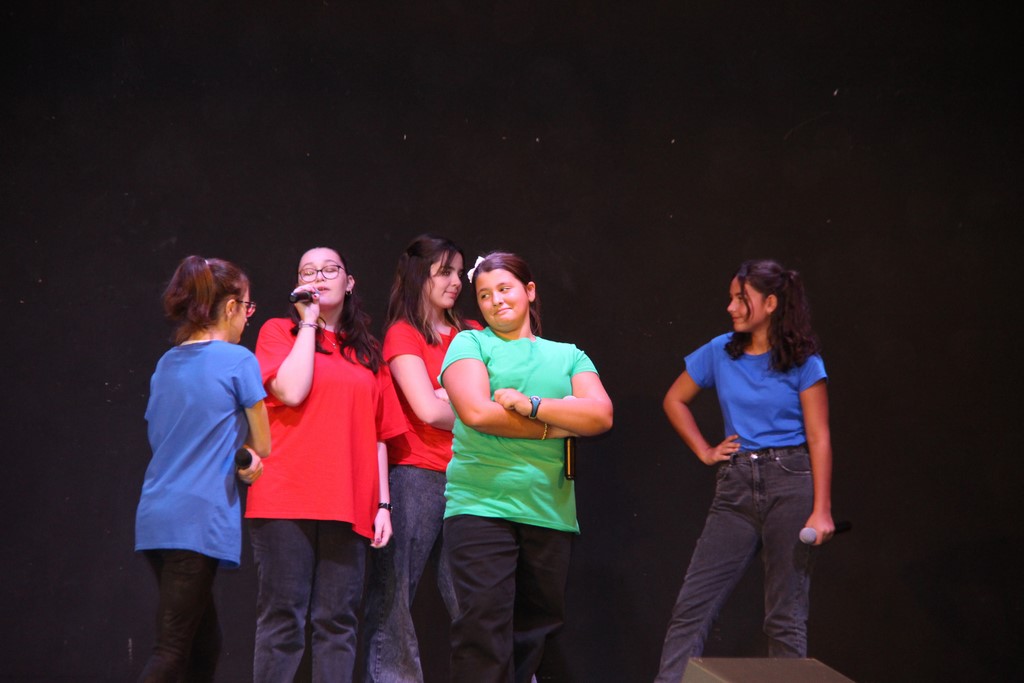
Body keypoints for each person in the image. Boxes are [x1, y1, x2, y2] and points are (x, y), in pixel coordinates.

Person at [654, 259, 835, 682]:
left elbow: (819, 436)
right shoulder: (720, 351)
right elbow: (674, 400)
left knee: (785, 615)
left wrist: (821, 509)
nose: (731, 307)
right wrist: (704, 450)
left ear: (770, 303)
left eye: (741, 299)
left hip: (791, 482)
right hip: (736, 486)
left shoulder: (803, 361)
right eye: (731, 298)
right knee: (692, 607)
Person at [439, 251, 614, 683]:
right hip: (481, 504)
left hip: (549, 509)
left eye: (504, 289)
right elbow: (477, 413)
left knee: (534, 636)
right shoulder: (470, 343)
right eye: (484, 295)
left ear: (529, 291)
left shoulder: (569, 355)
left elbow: (600, 415)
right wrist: (558, 424)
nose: (495, 301)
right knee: (482, 631)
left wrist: (531, 404)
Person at [245, 247, 407, 682]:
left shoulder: (368, 352)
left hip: (348, 500)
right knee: (283, 618)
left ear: (349, 282)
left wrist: (383, 505)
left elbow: (379, 434)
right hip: (284, 496)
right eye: (307, 271)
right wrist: (309, 322)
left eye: (329, 269)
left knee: (338, 622)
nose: (318, 277)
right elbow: (291, 391)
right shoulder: (279, 331)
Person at [134, 255, 270, 683]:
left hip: (156, 514)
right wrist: (246, 457)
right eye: (247, 307)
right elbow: (264, 444)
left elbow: (164, 436)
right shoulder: (238, 361)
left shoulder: (166, 363)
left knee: (203, 646)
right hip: (197, 517)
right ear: (230, 307)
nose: (247, 317)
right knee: (172, 650)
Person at [362, 235, 481, 682]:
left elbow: (494, 399)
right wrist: (473, 409)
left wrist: (454, 399)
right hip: (416, 473)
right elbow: (428, 410)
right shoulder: (404, 333)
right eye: (445, 272)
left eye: (459, 272)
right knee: (394, 599)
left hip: (472, 475)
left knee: (477, 598)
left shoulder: (473, 332)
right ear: (419, 276)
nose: (456, 282)